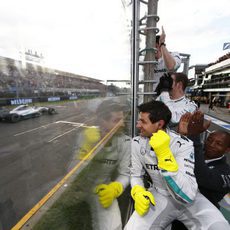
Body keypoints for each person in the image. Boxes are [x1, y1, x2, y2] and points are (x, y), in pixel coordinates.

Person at [124, 100, 229, 230]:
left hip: (191, 200)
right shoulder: (136, 143)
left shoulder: (183, 144)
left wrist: (164, 154)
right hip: (159, 195)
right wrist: (138, 191)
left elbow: (188, 195)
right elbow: (135, 174)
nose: (138, 125)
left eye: (143, 121)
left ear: (159, 124)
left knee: (220, 227)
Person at [73, 99, 131, 230]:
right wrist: (86, 149)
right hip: (79, 187)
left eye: (122, 119)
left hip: (102, 188)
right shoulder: (86, 136)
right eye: (116, 120)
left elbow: (125, 173)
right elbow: (71, 172)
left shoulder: (125, 141)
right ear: (102, 121)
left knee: (114, 227)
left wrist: (115, 187)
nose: (122, 123)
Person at [178, 111, 230, 209]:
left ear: (227, 150)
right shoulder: (195, 150)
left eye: (218, 144)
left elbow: (202, 176)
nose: (211, 145)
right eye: (209, 140)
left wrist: (194, 136)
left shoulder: (226, 173)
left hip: (199, 215)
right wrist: (182, 135)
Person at [152, 26, 181, 91]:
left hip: (168, 96)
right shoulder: (148, 59)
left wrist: (162, 43)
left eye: (155, 47)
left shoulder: (174, 55)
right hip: (151, 96)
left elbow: (171, 67)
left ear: (158, 46)